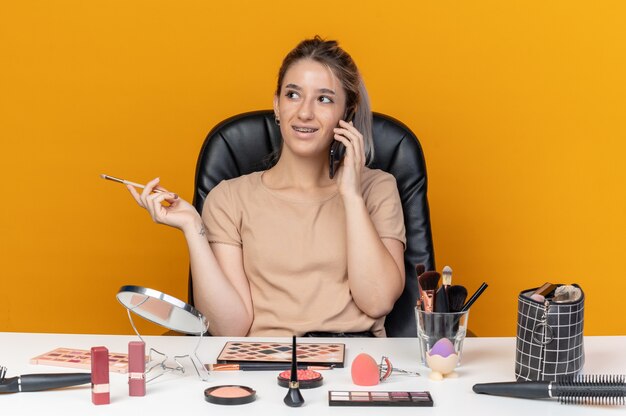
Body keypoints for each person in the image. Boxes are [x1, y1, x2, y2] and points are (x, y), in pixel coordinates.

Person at [127, 36, 406, 337]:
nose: (305, 113)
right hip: (263, 365)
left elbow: (377, 302)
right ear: (276, 104)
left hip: (356, 362)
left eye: (324, 99)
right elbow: (229, 328)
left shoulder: (377, 188)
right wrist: (192, 227)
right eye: (293, 95)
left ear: (347, 113)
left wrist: (351, 195)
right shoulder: (229, 198)